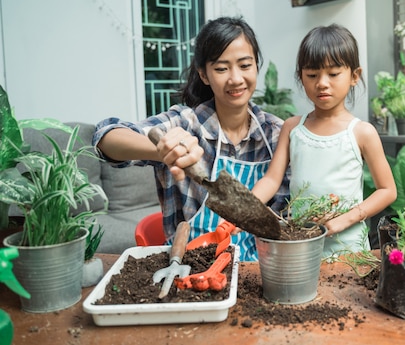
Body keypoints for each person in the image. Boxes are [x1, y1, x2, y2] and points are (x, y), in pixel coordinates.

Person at [93, 16, 289, 261]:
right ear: (204, 75)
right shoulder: (186, 123)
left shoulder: (275, 133)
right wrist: (161, 151)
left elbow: (286, 217)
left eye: (245, 65)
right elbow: (105, 136)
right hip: (191, 265)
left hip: (258, 268)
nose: (236, 78)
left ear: (256, 67)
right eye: (221, 68)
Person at [252, 24, 397, 258]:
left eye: (333, 74)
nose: (322, 83)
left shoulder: (361, 132)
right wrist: (244, 208)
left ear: (354, 76)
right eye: (312, 75)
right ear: (301, 77)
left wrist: (346, 219)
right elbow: (271, 179)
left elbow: (388, 190)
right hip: (302, 246)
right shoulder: (292, 128)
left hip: (350, 250)